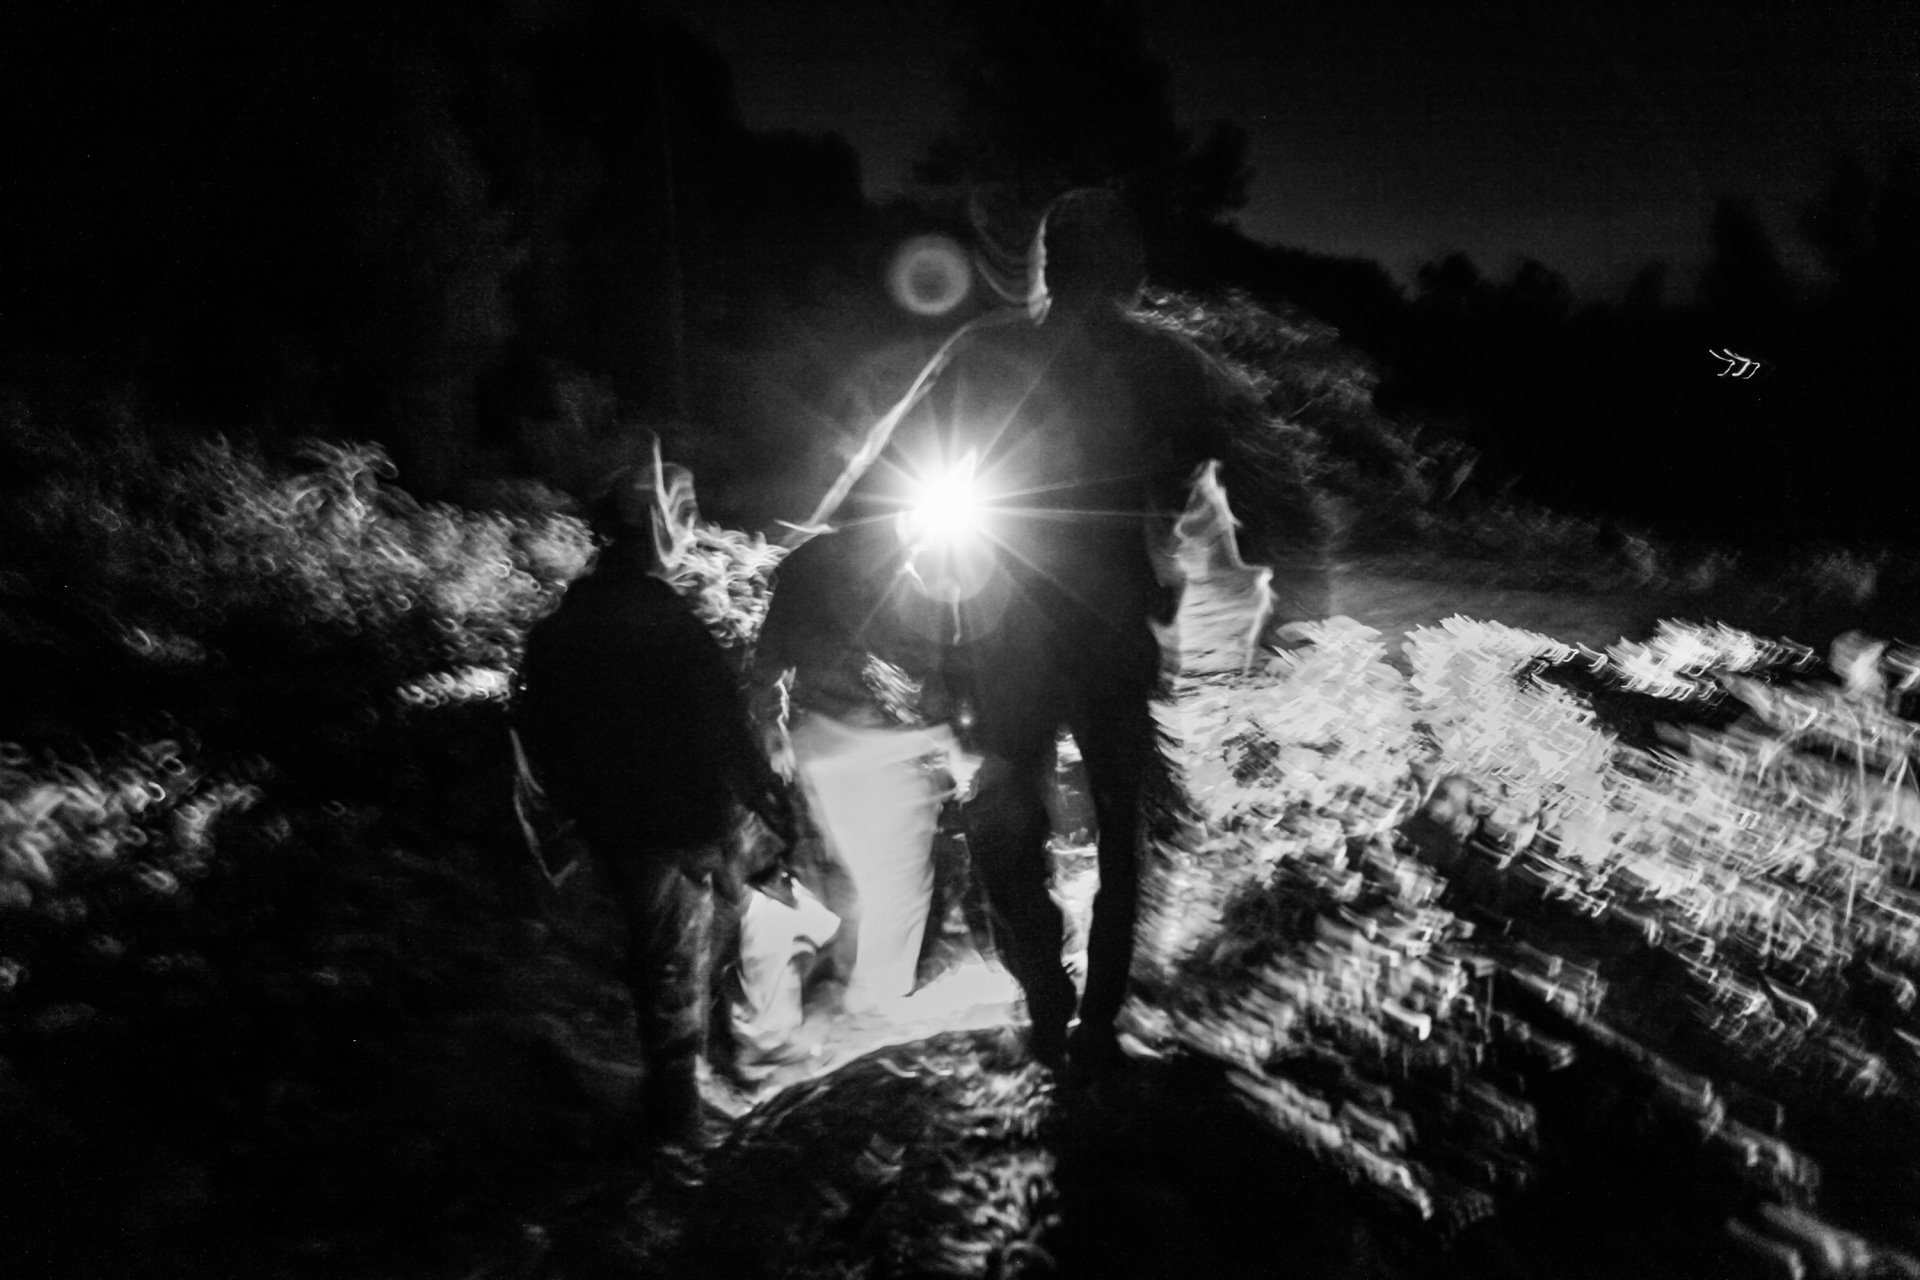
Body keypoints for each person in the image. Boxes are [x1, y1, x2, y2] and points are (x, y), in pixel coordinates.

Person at [859, 187, 1267, 1076]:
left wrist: (915, 595)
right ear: (1128, 269)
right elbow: (1214, 485)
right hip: (1112, 626)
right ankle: (1097, 1019)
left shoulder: (988, 352)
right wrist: (1198, 584)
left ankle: (1046, 989)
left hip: (1010, 632)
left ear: (1046, 264)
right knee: (1120, 828)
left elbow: (892, 471)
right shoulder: (1169, 365)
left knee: (1009, 810)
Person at [515, 468, 794, 1147]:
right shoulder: (669, 626)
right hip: (675, 823)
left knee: (654, 959)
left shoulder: (564, 624)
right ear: (654, 534)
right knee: (675, 964)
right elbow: (723, 725)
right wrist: (768, 801)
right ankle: (676, 1126)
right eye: (682, 519)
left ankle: (671, 1091)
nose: (691, 532)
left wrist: (555, 818)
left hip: (605, 824)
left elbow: (533, 726)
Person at [749, 517, 972, 1022]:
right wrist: (949, 738)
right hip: (878, 745)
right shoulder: (898, 571)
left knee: (853, 874)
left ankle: (826, 989)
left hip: (820, 740)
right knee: (898, 883)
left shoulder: (806, 562)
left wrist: (772, 725)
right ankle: (876, 1005)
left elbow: (769, 653)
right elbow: (921, 664)